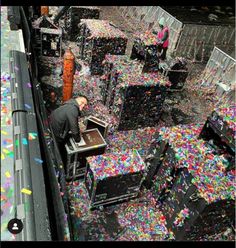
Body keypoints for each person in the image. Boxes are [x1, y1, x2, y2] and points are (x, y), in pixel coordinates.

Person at [49, 95, 89, 166]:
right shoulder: (73, 109)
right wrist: (78, 139)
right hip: (56, 134)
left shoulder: (69, 103)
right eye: (82, 102)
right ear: (77, 99)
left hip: (52, 127)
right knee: (59, 152)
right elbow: (74, 129)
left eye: (84, 105)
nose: (82, 105)